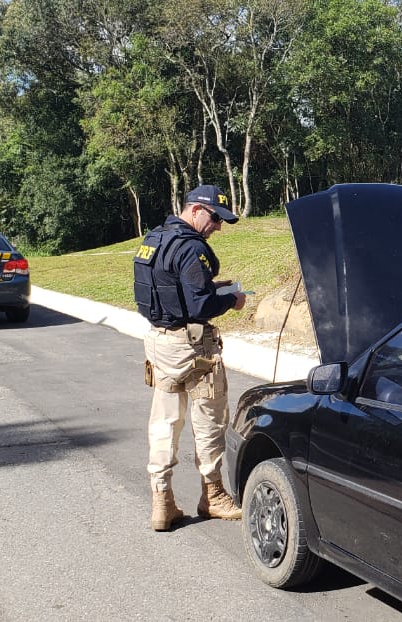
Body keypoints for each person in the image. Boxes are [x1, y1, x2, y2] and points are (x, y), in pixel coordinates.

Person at [133, 184, 248, 531]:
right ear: (196, 210)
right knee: (209, 418)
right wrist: (232, 300)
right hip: (194, 348)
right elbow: (199, 306)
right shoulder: (191, 247)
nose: (218, 227)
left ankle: (162, 502)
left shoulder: (154, 239)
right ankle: (212, 496)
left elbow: (167, 290)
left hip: (159, 344)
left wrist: (212, 288)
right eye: (215, 219)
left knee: (164, 422)